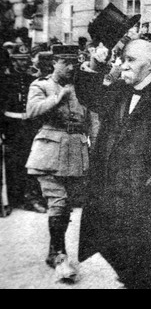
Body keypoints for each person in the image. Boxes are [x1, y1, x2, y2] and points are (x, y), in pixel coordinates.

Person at [77, 40, 151, 289]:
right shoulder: (119, 90)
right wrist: (95, 64)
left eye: (130, 60)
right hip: (112, 191)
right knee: (113, 249)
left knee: (148, 264)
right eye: (122, 59)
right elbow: (89, 97)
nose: (123, 65)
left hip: (145, 193)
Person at [25, 45, 89, 281]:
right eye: (66, 62)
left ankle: (54, 252)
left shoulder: (80, 89)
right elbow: (31, 111)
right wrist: (57, 97)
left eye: (75, 62)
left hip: (75, 153)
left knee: (66, 207)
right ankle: (61, 258)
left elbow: (88, 118)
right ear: (54, 63)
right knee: (59, 204)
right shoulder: (41, 85)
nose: (71, 67)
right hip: (50, 153)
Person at [1, 43, 47, 214]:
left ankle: (29, 198)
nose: (24, 63)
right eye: (20, 60)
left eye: (26, 59)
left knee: (31, 163)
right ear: (13, 62)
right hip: (12, 127)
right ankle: (14, 198)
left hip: (29, 127)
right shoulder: (5, 80)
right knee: (14, 163)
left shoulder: (31, 80)